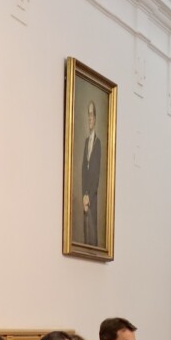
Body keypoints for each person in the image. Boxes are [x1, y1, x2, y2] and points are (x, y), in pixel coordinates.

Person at [76, 100, 104, 248]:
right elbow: (83, 170)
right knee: (86, 235)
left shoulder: (98, 143)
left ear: (96, 118)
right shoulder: (86, 142)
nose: (89, 118)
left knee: (92, 236)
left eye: (92, 115)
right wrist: (83, 195)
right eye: (88, 115)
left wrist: (89, 196)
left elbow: (96, 175)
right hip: (85, 198)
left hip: (92, 198)